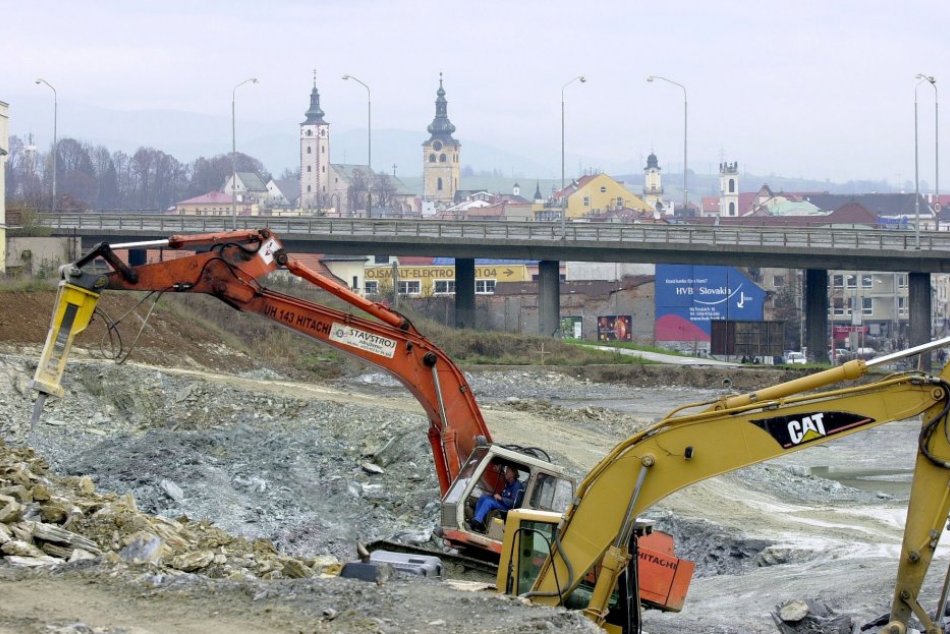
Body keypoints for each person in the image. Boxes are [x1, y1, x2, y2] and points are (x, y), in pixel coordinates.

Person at [469, 466, 524, 533]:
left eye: (508, 471)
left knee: (488, 502)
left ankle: (477, 521)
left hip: (507, 507)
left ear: (512, 474)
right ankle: (477, 519)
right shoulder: (508, 483)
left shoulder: (517, 486)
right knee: (484, 496)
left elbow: (515, 502)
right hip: (502, 503)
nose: (506, 472)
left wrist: (501, 498)